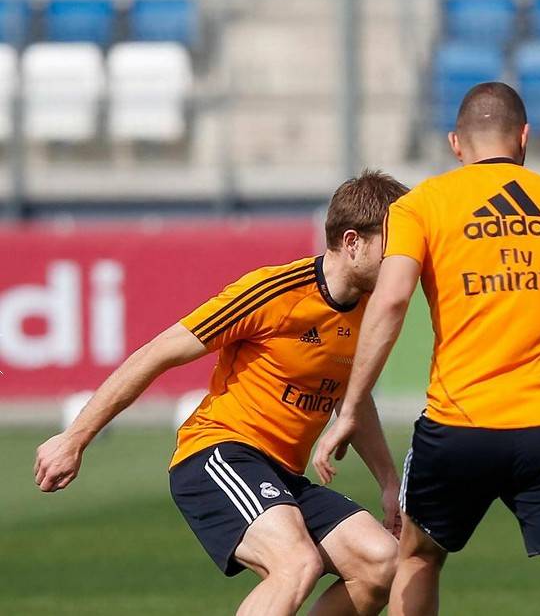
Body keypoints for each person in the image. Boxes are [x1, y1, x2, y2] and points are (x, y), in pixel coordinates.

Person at [313, 82, 540, 616]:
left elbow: (391, 300)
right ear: (525, 137)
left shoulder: (421, 206)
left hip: (460, 424)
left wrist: (350, 409)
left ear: (455, 144)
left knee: (417, 557)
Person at [34, 170, 410, 616]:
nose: (403, 259)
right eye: (393, 245)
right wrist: (75, 438)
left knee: (382, 563)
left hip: (283, 475)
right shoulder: (273, 292)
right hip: (219, 454)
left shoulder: (371, 310)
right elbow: (157, 353)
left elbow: (353, 397)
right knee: (296, 563)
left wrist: (388, 481)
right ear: (352, 242)